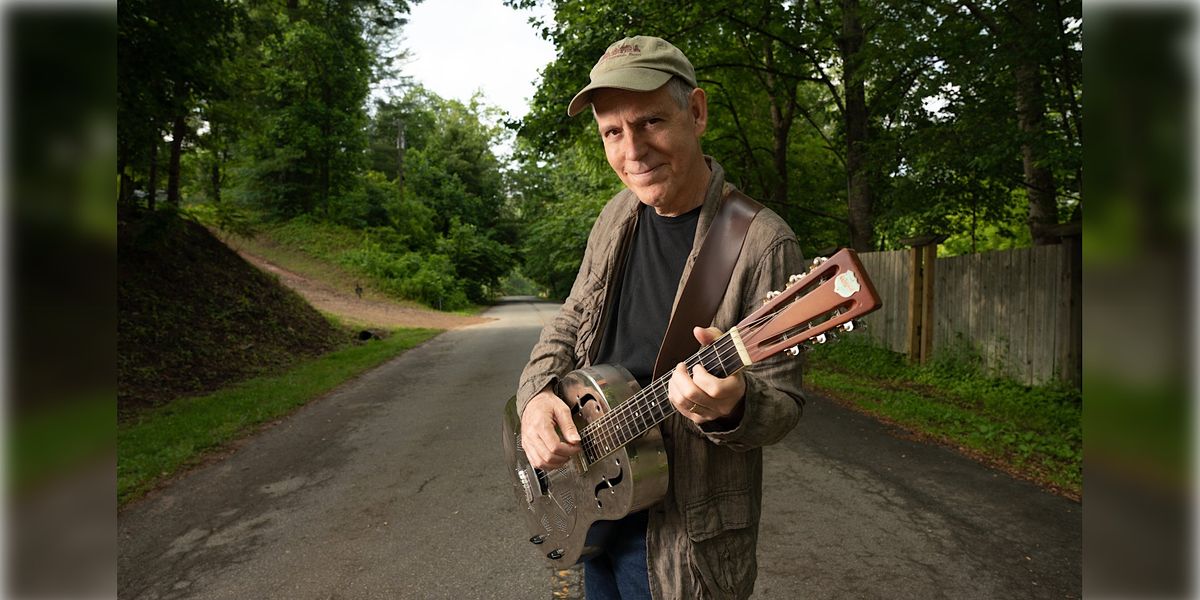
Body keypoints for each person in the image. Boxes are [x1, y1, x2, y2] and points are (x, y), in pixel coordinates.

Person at [515, 35, 806, 600]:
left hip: (684, 545)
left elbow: (783, 405)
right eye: (613, 133)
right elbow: (572, 318)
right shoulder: (617, 214)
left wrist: (733, 407)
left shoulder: (761, 243)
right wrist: (534, 398)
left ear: (695, 112)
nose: (633, 151)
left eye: (650, 122)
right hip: (594, 507)